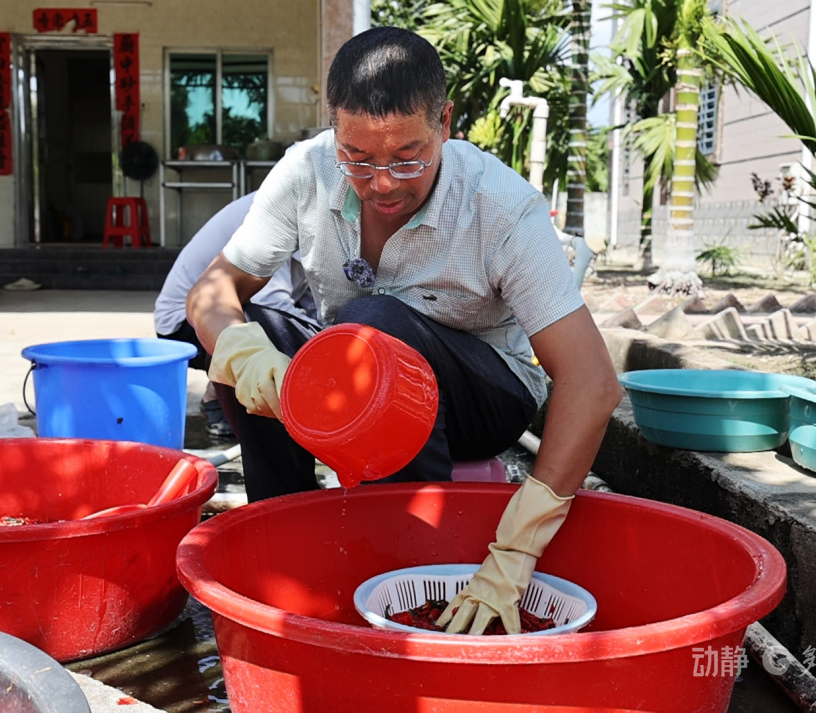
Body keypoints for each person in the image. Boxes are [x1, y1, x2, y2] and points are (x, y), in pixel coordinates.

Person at [185, 27, 621, 635]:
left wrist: (518, 548)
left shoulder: (499, 205)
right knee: (256, 329)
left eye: (408, 158)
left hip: (483, 395)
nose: (383, 183)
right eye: (358, 159)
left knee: (374, 326)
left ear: (445, 122)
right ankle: (284, 532)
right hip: (359, 386)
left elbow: (593, 383)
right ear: (333, 129)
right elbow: (211, 292)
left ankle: (409, 559)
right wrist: (249, 358)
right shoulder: (308, 172)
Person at [155, 192, 314, 437]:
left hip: (222, 311)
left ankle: (222, 389)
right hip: (184, 323)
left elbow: (313, 301)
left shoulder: (305, 206)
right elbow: (273, 304)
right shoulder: (278, 209)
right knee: (267, 329)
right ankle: (218, 397)